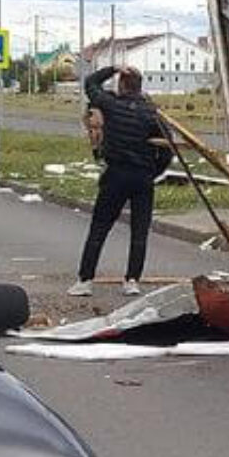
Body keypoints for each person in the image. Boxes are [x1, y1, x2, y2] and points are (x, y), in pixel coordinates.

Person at [67, 66, 164, 297]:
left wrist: (112, 68)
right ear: (140, 86)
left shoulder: (111, 105)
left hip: (116, 175)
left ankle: (85, 280)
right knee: (139, 231)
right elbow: (167, 148)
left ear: (121, 84)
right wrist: (153, 172)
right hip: (143, 178)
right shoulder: (151, 112)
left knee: (99, 227)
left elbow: (90, 83)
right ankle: (131, 281)